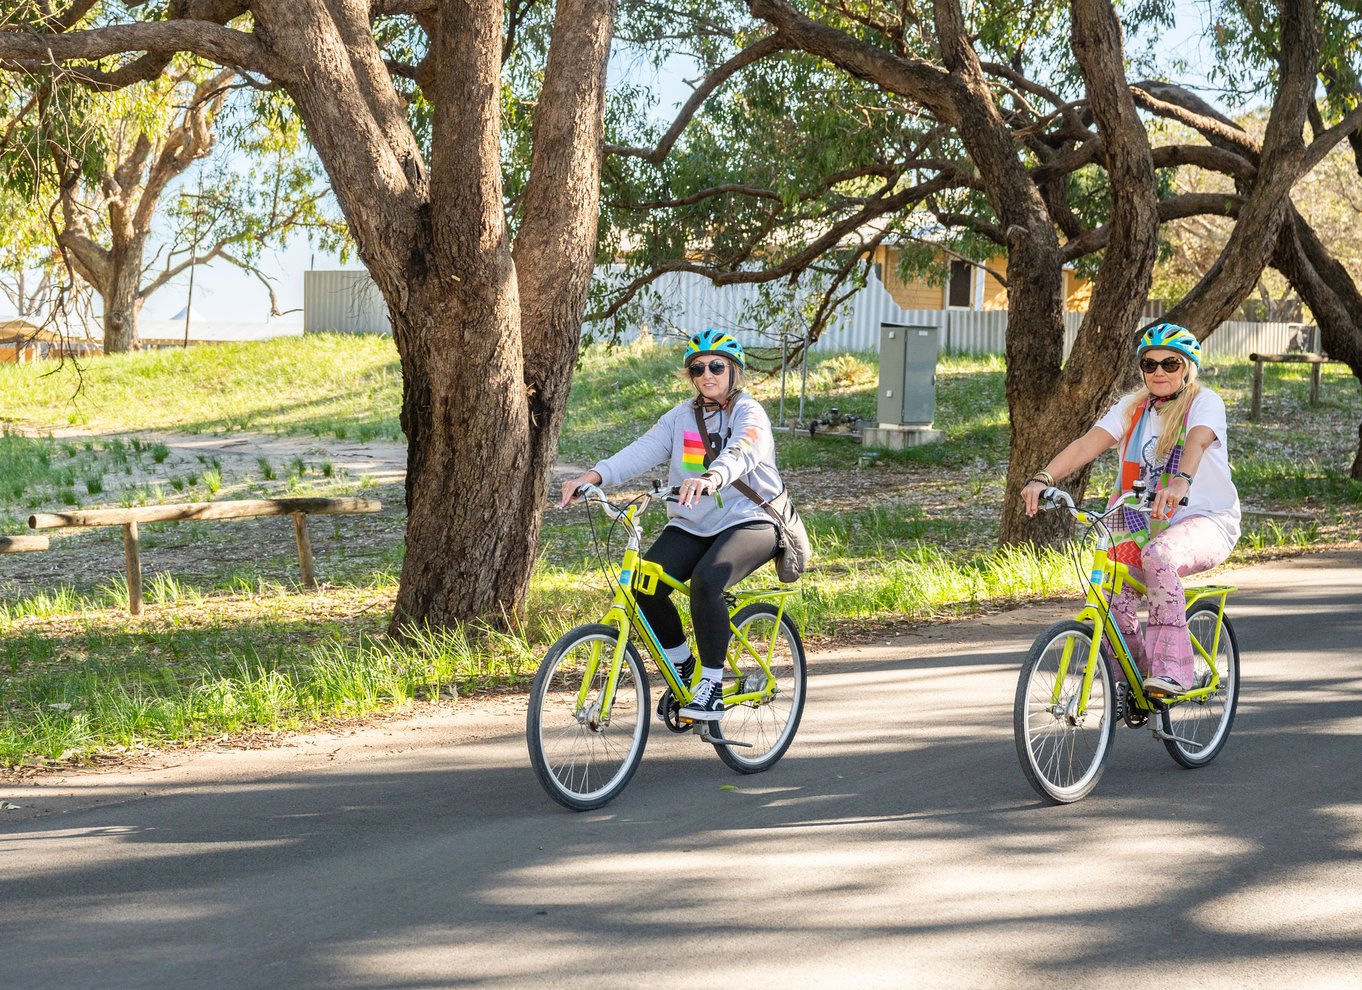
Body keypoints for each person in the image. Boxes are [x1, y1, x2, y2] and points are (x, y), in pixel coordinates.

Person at [559, 329, 785, 721]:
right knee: (644, 586)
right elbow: (642, 450)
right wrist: (593, 477)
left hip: (751, 520)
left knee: (708, 580)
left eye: (716, 366)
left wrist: (712, 478)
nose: (706, 375)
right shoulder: (682, 417)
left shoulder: (749, 412)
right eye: (697, 369)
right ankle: (683, 666)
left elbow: (743, 450)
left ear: (734, 370)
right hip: (694, 522)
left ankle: (711, 683)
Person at [1020, 323, 1241, 697]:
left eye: (1170, 364)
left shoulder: (1205, 402)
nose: (1159, 372)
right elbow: (1086, 445)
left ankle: (1173, 670)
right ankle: (1133, 680)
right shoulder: (1132, 408)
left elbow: (1198, 440)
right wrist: (1043, 477)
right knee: (1109, 593)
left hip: (1206, 520)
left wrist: (1180, 480)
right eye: (1149, 364)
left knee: (1159, 555)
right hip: (1141, 520)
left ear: (1187, 367)